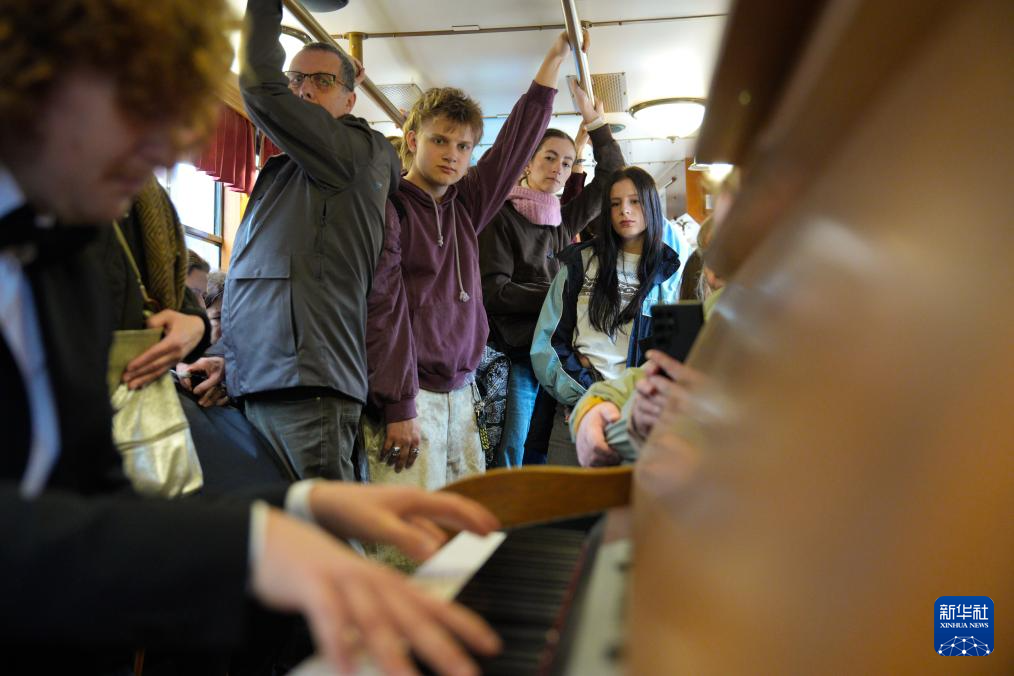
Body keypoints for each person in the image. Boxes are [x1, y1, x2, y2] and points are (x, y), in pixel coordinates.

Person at [0, 2, 501, 674]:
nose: (165, 151)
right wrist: (266, 530)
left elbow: (91, 496)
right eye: (134, 109)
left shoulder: (65, 255)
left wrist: (294, 506)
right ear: (32, 86)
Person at [362, 32, 580, 495]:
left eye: (464, 146)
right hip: (411, 395)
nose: (452, 154)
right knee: (410, 526)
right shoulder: (391, 208)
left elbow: (515, 143)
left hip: (463, 389)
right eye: (440, 140)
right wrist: (398, 405)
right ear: (413, 139)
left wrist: (555, 57)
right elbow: (383, 310)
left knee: (466, 518)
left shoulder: (467, 202)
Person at [218, 0, 402, 482]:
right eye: (296, 78)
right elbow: (265, 282)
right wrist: (226, 362)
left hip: (307, 388)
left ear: (350, 101)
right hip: (271, 381)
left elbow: (260, 83)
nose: (302, 90)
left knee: (322, 528)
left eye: (322, 81)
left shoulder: (354, 152)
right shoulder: (291, 174)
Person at [478, 94, 625, 468]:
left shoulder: (562, 218)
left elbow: (612, 175)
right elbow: (494, 292)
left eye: (567, 162)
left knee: (550, 454)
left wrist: (597, 126)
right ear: (527, 162)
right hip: (518, 355)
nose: (559, 168)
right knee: (512, 451)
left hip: (557, 356)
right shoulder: (499, 216)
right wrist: (560, 297)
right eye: (549, 158)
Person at [530, 166, 682, 465]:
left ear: (651, 205)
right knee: (568, 495)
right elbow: (546, 345)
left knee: (630, 495)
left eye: (635, 201)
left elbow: (670, 356)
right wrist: (591, 397)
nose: (624, 210)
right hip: (576, 410)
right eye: (615, 203)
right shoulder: (580, 264)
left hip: (638, 418)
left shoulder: (669, 274)